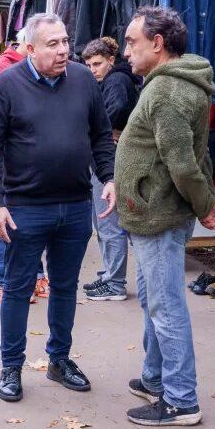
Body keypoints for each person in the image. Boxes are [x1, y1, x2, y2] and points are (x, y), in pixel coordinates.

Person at [0, 13, 116, 403]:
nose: (62, 50)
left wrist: (108, 178)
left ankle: (59, 359)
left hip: (74, 206)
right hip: (24, 207)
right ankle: (11, 366)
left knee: (65, 286)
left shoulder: (84, 81)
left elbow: (100, 135)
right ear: (31, 48)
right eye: (52, 44)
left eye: (65, 42)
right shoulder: (6, 85)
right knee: (17, 288)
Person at [115, 7, 215, 427]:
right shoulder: (169, 83)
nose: (125, 50)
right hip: (154, 211)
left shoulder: (166, 92)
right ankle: (155, 377)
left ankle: (181, 400)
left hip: (159, 215)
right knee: (153, 299)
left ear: (157, 43)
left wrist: (206, 206)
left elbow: (182, 163)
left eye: (132, 41)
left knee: (165, 306)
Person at [0, 29, 48, 303]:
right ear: (30, 46)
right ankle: (2, 281)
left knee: (32, 223)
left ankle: (35, 278)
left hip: (35, 165)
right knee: (8, 221)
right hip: (11, 163)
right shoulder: (1, 71)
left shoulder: (38, 71)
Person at [81, 37, 141, 302]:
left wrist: (97, 128)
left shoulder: (116, 81)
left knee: (108, 219)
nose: (93, 70)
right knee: (106, 219)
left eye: (97, 64)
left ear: (110, 61)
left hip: (111, 155)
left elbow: (115, 110)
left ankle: (114, 282)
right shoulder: (116, 80)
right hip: (112, 153)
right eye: (89, 65)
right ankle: (110, 275)